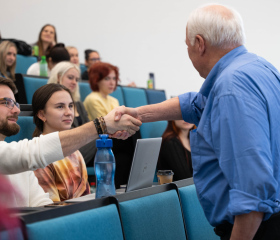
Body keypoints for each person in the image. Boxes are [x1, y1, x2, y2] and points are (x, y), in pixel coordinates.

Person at [113, 4, 280, 240]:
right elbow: (197, 104)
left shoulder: (230, 87)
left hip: (257, 230)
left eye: (188, 46)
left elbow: (252, 192)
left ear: (200, 44)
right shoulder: (258, 68)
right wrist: (139, 114)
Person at [0, 77, 141, 206]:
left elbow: (43, 206)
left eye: (15, 103)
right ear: (42, 114)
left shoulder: (25, 164)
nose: (16, 110)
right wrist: (102, 125)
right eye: (6, 102)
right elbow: (33, 153)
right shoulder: (29, 157)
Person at [84, 62, 140, 187]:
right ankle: (140, 167)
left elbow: (118, 123)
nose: (112, 82)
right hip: (99, 143)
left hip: (115, 141)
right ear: (97, 80)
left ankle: (130, 183)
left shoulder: (113, 100)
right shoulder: (92, 99)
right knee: (133, 134)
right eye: (107, 78)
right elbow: (106, 126)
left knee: (124, 158)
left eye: (114, 78)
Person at [33, 84, 90, 202]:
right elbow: (51, 208)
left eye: (70, 106)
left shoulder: (75, 151)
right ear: (42, 114)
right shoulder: (39, 154)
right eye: (60, 107)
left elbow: (87, 196)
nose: (69, 112)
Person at [48, 61, 96, 164]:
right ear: (58, 77)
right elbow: (66, 136)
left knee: (120, 146)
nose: (74, 82)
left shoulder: (79, 105)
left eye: (77, 79)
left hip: (86, 147)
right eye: (70, 78)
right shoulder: (51, 102)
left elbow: (89, 128)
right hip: (68, 149)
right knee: (110, 139)